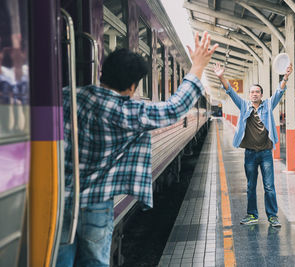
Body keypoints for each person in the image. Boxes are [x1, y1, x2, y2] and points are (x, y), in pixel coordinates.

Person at [57, 31, 218, 267]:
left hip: (59, 200)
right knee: (94, 261)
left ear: (102, 73)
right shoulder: (128, 112)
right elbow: (174, 108)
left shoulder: (67, 97)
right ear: (133, 86)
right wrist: (198, 67)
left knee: (57, 260)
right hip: (96, 203)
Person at [213, 62, 293, 227]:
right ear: (249, 95)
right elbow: (230, 91)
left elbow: (279, 91)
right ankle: (252, 215)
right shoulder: (243, 105)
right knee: (250, 186)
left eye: (257, 92)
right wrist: (221, 76)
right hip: (250, 153)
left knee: (269, 186)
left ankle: (272, 216)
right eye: (252, 92)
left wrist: (285, 77)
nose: (254, 94)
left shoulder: (269, 104)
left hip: (265, 154)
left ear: (261, 94)